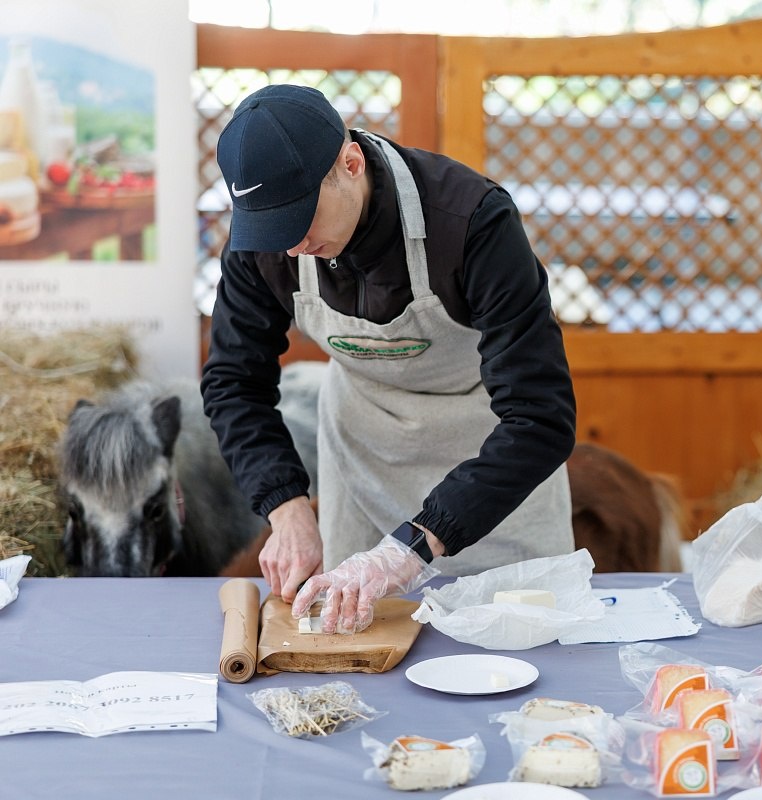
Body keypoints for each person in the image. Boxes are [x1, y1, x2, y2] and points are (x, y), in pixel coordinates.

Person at [200, 84, 576, 633]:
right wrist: (286, 506)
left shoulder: (471, 222)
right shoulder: (270, 241)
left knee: (512, 649)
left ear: (351, 162)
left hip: (493, 465)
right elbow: (235, 382)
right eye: (272, 228)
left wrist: (409, 548)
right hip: (363, 457)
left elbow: (541, 418)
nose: (290, 247)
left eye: (299, 218)